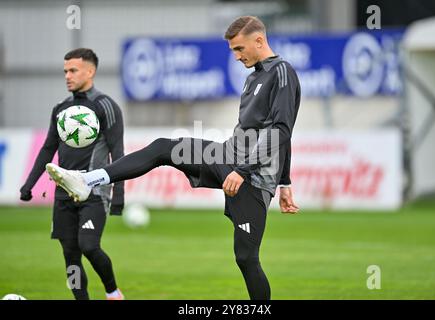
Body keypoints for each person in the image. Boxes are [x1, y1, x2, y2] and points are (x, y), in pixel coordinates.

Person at [46, 16, 300, 300]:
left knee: (245, 257)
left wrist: (263, 176)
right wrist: (285, 182)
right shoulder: (254, 75)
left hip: (252, 176)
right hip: (228, 155)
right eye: (233, 51)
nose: (237, 56)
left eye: (239, 49)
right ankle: (88, 180)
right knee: (164, 147)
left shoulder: (282, 72)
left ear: (259, 41)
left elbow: (280, 131)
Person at [20, 48, 125, 300]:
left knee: (89, 245)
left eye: (73, 70)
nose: (67, 75)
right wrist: (29, 184)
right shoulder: (60, 108)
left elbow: (117, 153)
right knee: (70, 254)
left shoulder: (105, 106)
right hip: (63, 192)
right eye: (65, 71)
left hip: (94, 191)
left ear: (90, 71)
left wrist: (119, 195)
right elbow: (48, 148)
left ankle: (112, 292)